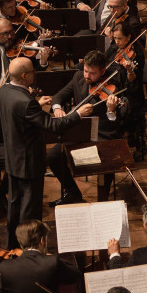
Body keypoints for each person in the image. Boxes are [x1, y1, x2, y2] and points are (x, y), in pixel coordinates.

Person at [0, 58, 90, 248]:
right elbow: (52, 126)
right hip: (29, 165)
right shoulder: (26, 102)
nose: (35, 73)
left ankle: (12, 248)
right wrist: (78, 114)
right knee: (30, 213)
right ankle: (29, 251)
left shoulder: (5, 91)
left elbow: (19, 115)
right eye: (33, 71)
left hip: (13, 161)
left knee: (14, 208)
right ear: (25, 76)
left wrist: (35, 104)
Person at [48, 49, 126, 204]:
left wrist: (111, 111)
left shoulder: (114, 85)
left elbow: (118, 123)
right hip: (80, 131)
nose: (87, 76)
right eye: (85, 71)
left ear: (102, 71)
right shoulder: (78, 77)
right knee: (52, 156)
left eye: (92, 73)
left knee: (105, 161)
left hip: (103, 134)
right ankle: (72, 192)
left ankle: (103, 199)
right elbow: (59, 96)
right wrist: (57, 108)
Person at [105, 21, 147, 158]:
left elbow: (133, 80)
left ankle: (130, 145)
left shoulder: (137, 54)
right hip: (114, 88)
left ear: (128, 37)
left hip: (131, 92)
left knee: (125, 108)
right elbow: (104, 63)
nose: (116, 41)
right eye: (115, 38)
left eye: (120, 38)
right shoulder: (113, 48)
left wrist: (129, 70)